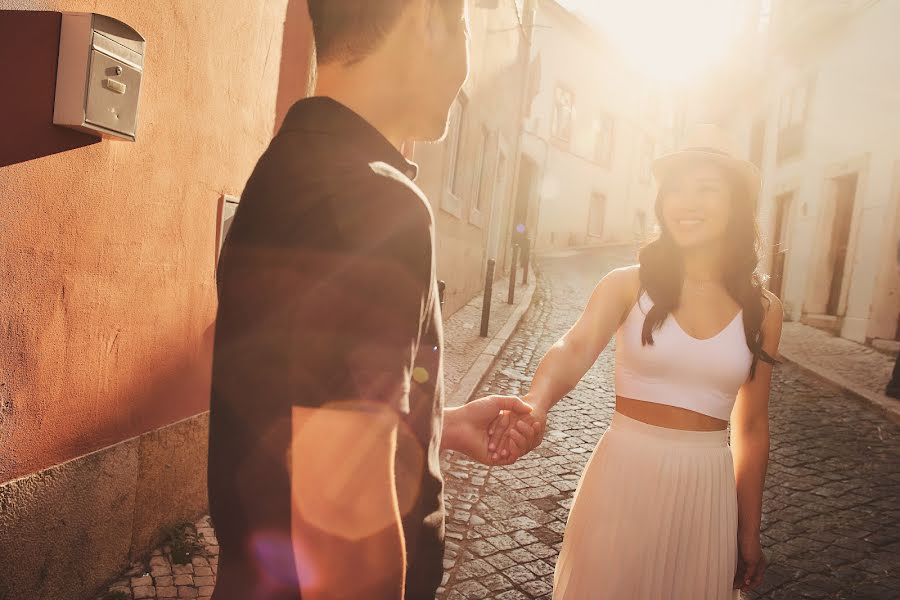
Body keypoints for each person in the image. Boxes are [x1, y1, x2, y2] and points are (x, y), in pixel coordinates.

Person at [208, 2, 541, 599]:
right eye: (462, 26)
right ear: (426, 19)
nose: (464, 63)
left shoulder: (290, 168)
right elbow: (345, 543)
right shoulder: (375, 201)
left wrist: (439, 425)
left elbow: (298, 405)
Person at [489, 124, 783, 599]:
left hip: (706, 493)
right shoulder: (627, 284)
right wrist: (536, 403)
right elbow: (574, 347)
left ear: (735, 207)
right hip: (623, 477)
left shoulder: (765, 310)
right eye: (677, 190)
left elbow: (751, 428)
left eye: (706, 190)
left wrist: (749, 531)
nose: (687, 203)